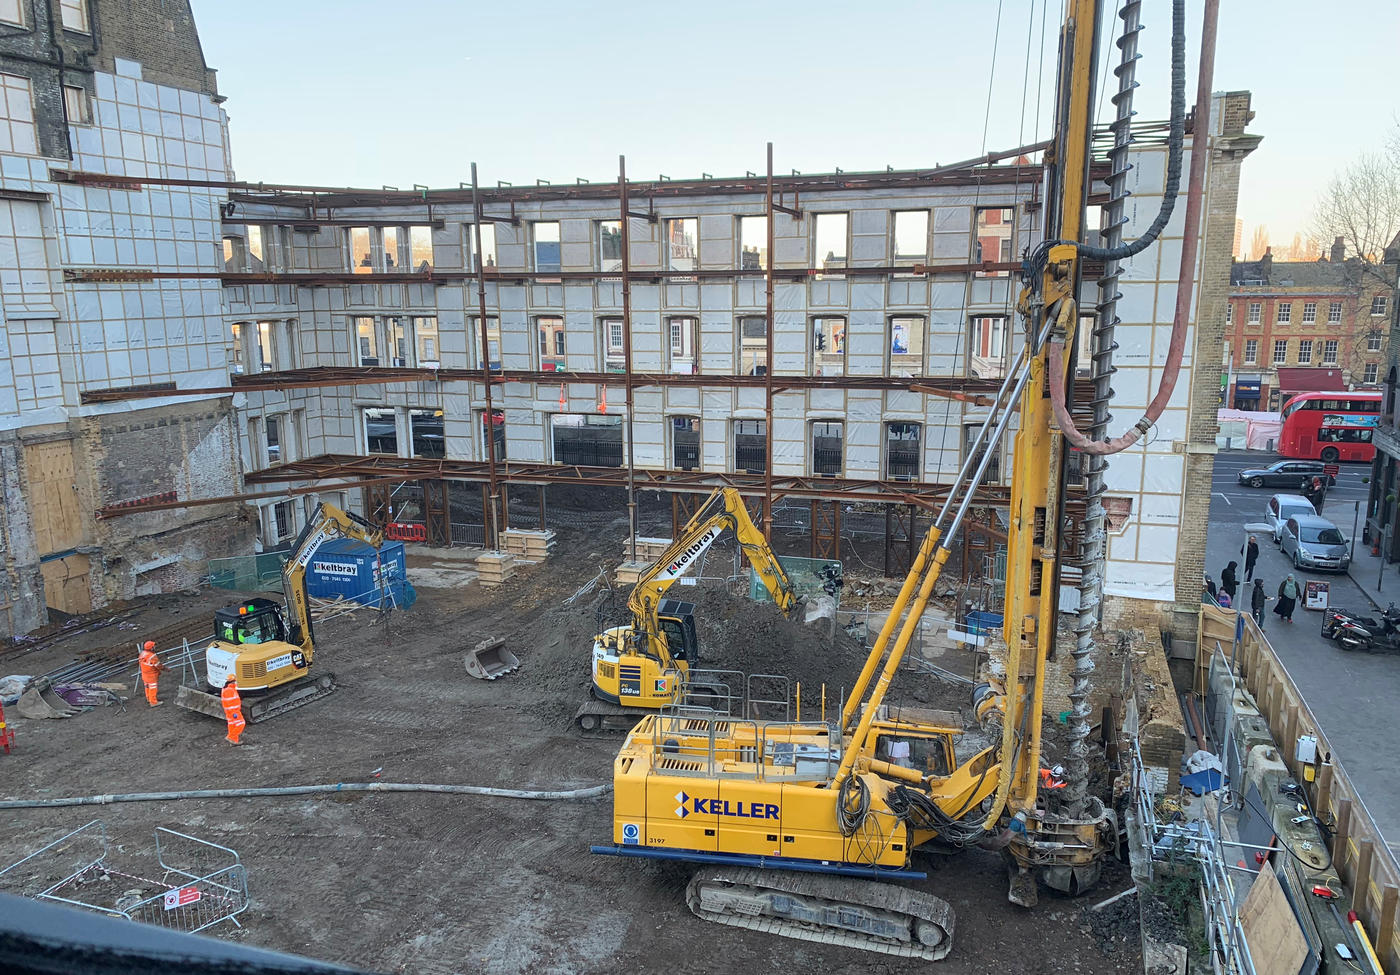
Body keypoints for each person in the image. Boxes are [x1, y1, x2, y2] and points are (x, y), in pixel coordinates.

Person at [138, 640, 166, 708]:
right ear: (151, 648)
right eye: (154, 646)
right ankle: (153, 702)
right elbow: (158, 665)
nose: (155, 647)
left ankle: (148, 698)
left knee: (147, 686)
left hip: (145, 674)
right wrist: (165, 669)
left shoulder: (142, 653)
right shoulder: (152, 656)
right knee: (153, 688)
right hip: (151, 675)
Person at [221, 676, 246, 746]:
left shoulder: (227, 689)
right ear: (233, 681)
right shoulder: (229, 690)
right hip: (234, 711)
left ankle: (234, 741)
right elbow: (230, 702)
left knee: (232, 725)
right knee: (241, 723)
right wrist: (234, 713)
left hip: (230, 711)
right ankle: (231, 737)